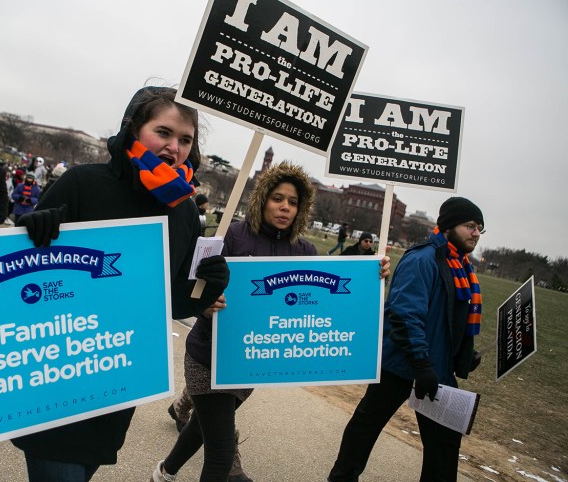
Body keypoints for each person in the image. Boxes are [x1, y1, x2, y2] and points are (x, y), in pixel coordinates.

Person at [13, 86, 230, 482]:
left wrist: (206, 288)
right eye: (163, 132)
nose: (174, 147)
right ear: (134, 128)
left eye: (185, 139)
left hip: (116, 379)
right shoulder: (83, 183)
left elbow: (173, 303)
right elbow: (14, 269)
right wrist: (31, 231)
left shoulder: (183, 212)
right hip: (57, 368)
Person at [152, 163, 389, 482]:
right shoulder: (233, 235)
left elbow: (330, 300)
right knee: (221, 455)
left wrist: (373, 277)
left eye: (293, 202)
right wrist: (205, 303)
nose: (285, 207)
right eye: (278, 198)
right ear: (263, 199)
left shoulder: (303, 251)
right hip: (207, 357)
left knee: (202, 426)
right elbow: (194, 286)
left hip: (249, 364)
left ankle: (163, 473)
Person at [327, 196, 485, 482]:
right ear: (449, 227)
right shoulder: (422, 258)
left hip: (438, 368)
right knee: (367, 425)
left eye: (480, 228)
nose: (476, 233)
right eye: (470, 226)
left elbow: (450, 318)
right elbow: (404, 315)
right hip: (402, 363)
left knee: (444, 445)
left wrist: (463, 351)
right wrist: (421, 362)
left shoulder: (463, 267)